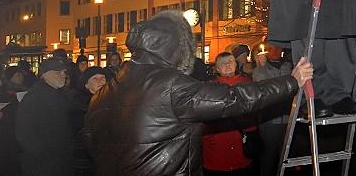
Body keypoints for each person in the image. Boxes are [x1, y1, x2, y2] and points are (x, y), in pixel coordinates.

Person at [83, 11, 314, 175]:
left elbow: (90, 146)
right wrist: (291, 81)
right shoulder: (169, 84)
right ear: (174, 48)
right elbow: (234, 99)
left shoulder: (103, 93)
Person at [15, 56, 75, 176]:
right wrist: (43, 154)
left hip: (60, 159)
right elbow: (24, 132)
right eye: (58, 72)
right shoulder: (34, 97)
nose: (63, 75)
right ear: (45, 74)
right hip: (43, 164)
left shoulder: (61, 94)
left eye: (64, 72)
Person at [202, 53, 257, 175]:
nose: (227, 65)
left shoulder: (247, 83)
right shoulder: (208, 88)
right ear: (217, 68)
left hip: (241, 144)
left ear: (236, 64)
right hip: (217, 147)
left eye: (230, 61)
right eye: (223, 63)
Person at [251, 44, 293, 176]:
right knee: (268, 157)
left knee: (287, 156)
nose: (275, 51)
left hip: (289, 119)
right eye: (271, 48)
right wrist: (259, 67)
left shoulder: (289, 67)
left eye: (278, 48)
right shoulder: (260, 69)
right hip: (269, 121)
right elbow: (262, 88)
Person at [72, 67, 111, 175]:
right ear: (86, 85)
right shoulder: (81, 106)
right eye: (95, 78)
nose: (100, 81)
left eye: (103, 78)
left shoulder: (109, 101)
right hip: (87, 161)